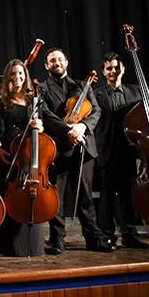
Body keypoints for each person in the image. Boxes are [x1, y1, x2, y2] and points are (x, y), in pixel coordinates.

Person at [38, 47, 114, 254]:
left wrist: (82, 127)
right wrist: (68, 130)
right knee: (57, 197)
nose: (56, 63)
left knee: (85, 195)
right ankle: (57, 240)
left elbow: (95, 110)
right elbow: (45, 113)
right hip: (57, 149)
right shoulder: (42, 88)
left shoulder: (83, 85)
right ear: (47, 65)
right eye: (52, 61)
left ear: (66, 62)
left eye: (59, 60)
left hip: (82, 146)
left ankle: (93, 238)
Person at [94, 52, 149, 249]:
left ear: (123, 69)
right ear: (103, 71)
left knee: (128, 196)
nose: (113, 71)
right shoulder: (96, 94)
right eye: (109, 68)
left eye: (116, 67)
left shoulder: (136, 91)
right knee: (107, 198)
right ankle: (107, 236)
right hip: (106, 151)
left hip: (129, 150)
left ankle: (129, 234)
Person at [0, 60, 49, 256]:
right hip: (7, 153)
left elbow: (41, 126)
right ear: (8, 76)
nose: (17, 78)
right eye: (13, 74)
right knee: (9, 195)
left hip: (28, 156)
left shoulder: (33, 99)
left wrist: (39, 127)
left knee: (29, 194)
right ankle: (7, 246)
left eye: (21, 74)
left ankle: (31, 244)